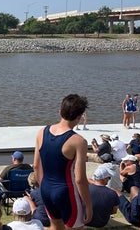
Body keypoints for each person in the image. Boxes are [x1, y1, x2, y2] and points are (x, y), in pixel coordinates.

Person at [33, 94, 92, 229]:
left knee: (55, 225)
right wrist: (88, 206)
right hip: (66, 192)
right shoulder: (78, 141)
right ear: (79, 117)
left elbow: (36, 166)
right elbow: (80, 179)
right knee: (75, 227)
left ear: (60, 112)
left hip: (46, 188)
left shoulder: (42, 132)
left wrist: (44, 187)